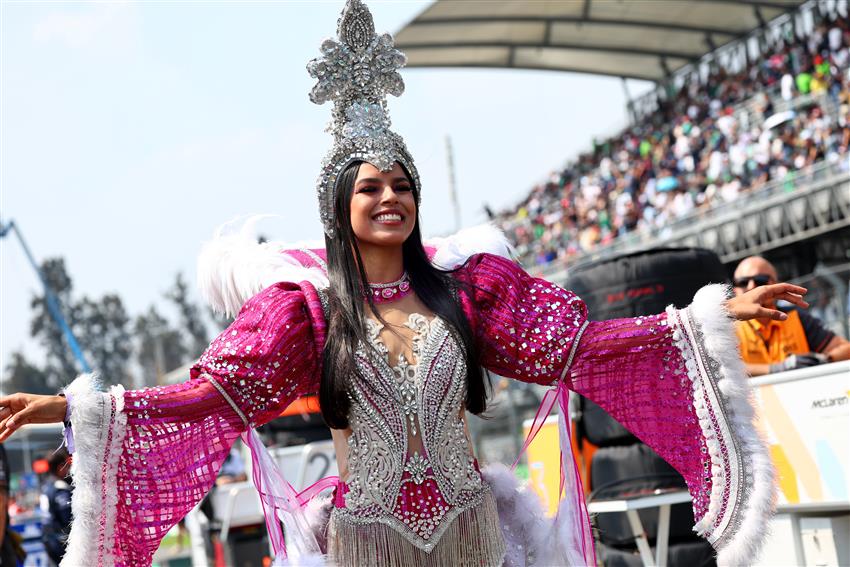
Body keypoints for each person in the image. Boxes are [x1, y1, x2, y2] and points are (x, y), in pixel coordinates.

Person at [0, 2, 810, 566]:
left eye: (402, 185)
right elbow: (213, 398)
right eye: (370, 188)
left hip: (474, 539)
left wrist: (717, 314)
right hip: (365, 546)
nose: (390, 198)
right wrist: (83, 409)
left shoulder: (470, 292)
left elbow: (586, 348)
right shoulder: (306, 314)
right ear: (338, 207)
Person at [733, 255, 850, 376]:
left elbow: (845, 349)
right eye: (743, 282)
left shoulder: (796, 317)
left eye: (760, 280)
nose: (751, 286)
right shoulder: (728, 327)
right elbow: (722, 371)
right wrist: (778, 368)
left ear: (775, 285)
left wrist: (821, 361)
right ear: (734, 289)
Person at [40, 450, 73, 566]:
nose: (69, 468)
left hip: (48, 539)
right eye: (67, 464)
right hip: (60, 542)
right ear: (60, 467)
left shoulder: (46, 486)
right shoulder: (61, 489)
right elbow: (68, 519)